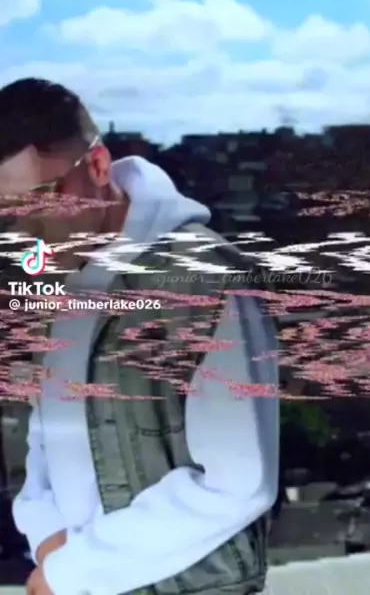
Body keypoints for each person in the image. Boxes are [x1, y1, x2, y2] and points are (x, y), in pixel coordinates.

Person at [0, 78, 279, 595]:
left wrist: (76, 570)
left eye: (40, 200)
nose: (25, 234)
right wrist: (44, 532)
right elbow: (46, 426)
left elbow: (240, 482)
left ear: (97, 166)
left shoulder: (204, 278)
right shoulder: (47, 272)